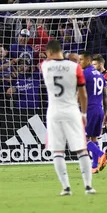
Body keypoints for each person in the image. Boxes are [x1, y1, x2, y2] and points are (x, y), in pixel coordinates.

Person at [41, 40, 94, 195]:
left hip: (54, 112)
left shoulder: (45, 66)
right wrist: (83, 113)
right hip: (72, 110)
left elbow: (53, 60)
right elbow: (83, 94)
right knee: (81, 149)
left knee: (58, 151)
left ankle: (66, 188)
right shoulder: (75, 67)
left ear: (49, 53)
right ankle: (88, 186)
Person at [79, 51, 107, 174]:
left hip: (89, 109)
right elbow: (104, 95)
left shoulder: (85, 73)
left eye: (81, 60)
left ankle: (101, 154)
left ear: (88, 60)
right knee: (94, 138)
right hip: (99, 108)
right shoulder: (100, 75)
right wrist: (105, 112)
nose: (79, 63)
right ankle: (94, 166)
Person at [92, 55, 107, 163]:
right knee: (99, 131)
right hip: (97, 106)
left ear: (101, 64)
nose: (93, 66)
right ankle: (99, 155)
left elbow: (103, 87)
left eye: (94, 64)